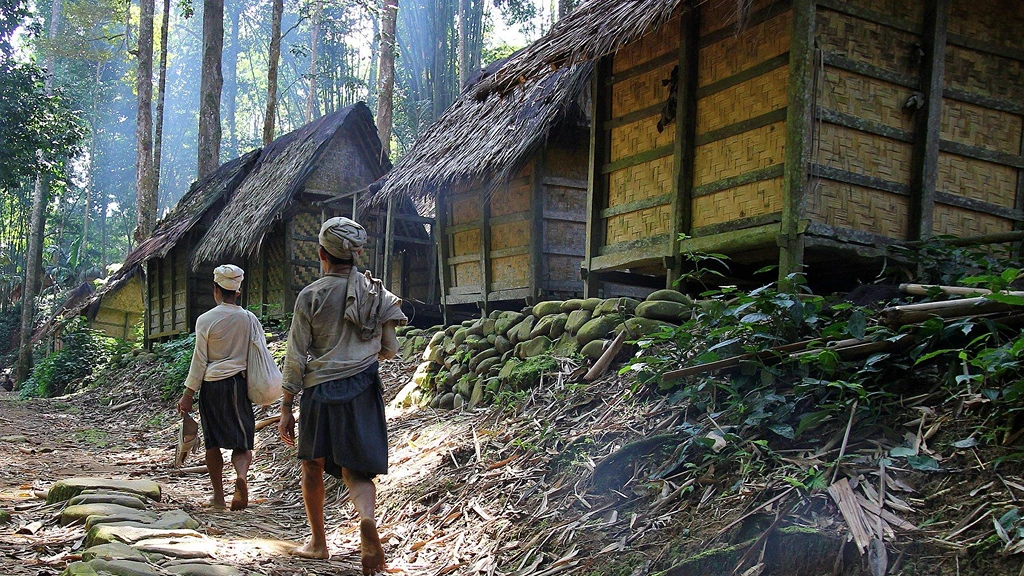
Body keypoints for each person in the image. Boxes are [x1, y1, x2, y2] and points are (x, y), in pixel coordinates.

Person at [279, 217, 407, 575]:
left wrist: (287, 405)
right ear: (356, 254)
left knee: (312, 465)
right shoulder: (376, 294)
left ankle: (318, 543)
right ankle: (366, 518)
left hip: (319, 389)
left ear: (322, 253)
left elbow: (295, 356)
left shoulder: (311, 295)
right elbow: (390, 348)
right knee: (357, 469)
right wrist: (360, 355)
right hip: (363, 386)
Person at [177, 264, 267, 511]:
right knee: (243, 442)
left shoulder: (205, 320)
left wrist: (188, 394)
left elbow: (199, 360)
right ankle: (241, 476)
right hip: (238, 385)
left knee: (212, 442)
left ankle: (218, 497)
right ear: (238, 291)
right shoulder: (249, 319)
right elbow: (257, 356)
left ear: (215, 289)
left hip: (211, 387)